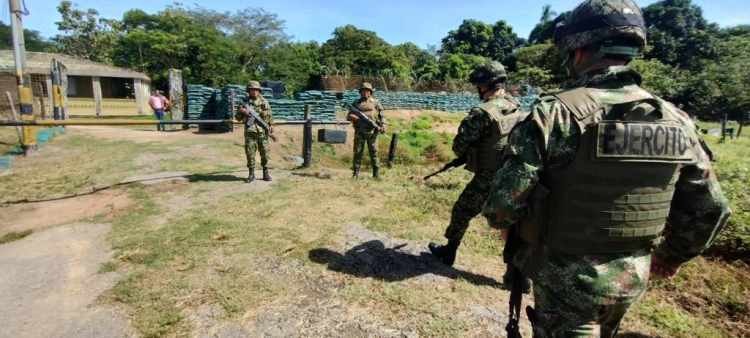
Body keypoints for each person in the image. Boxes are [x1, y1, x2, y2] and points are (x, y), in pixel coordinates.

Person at [481, 1, 732, 337]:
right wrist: (670, 256)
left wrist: (507, 227)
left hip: (563, 275)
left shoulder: (556, 113)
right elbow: (711, 208)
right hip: (630, 277)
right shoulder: (676, 120)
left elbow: (503, 203)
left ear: (579, 51)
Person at [428, 60, 527, 278]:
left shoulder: (482, 112)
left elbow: (458, 147)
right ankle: (515, 272)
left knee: (462, 210)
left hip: (489, 176)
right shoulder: (515, 105)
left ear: (483, 85)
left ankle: (449, 251)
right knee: (510, 222)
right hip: (515, 175)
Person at [236, 80, 274, 183]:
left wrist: (271, 125)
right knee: (250, 153)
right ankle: (251, 174)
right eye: (252, 90)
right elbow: (238, 118)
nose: (254, 92)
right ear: (249, 91)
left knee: (265, 153)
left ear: (259, 91)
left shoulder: (264, 102)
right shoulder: (245, 103)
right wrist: (241, 111)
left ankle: (265, 173)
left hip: (263, 132)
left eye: (256, 90)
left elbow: (270, 115)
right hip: (250, 132)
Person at [347, 82, 385, 178]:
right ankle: (355, 174)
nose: (365, 92)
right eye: (364, 90)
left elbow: (381, 116)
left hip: (372, 132)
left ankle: (376, 174)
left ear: (370, 92)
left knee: (374, 152)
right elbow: (348, 116)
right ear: (361, 92)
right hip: (360, 131)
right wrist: (353, 117)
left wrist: (383, 125)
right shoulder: (356, 103)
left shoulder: (375, 102)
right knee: (358, 152)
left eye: (368, 91)